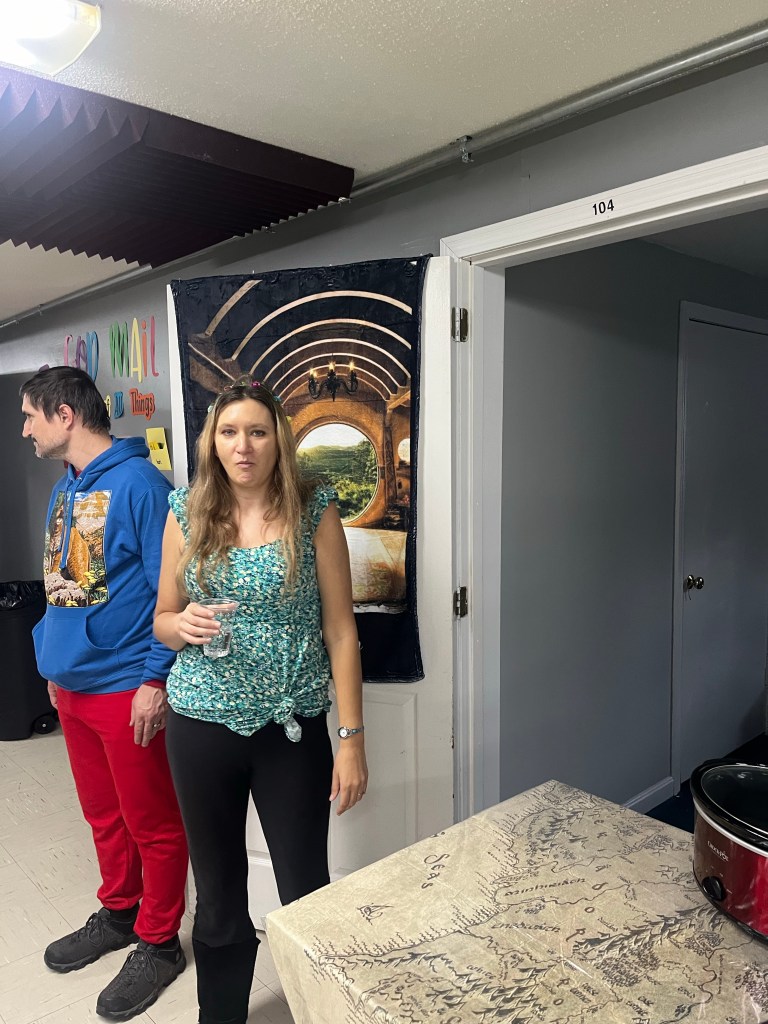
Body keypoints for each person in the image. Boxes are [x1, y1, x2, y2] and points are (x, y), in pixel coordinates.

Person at [154, 375, 368, 1024]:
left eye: (256, 431)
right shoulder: (184, 511)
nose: (242, 446)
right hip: (200, 725)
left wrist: (351, 741)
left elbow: (341, 631)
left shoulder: (314, 511)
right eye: (229, 432)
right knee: (218, 895)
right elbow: (162, 619)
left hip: (289, 729)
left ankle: (320, 1011)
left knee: (306, 890)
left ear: (279, 439)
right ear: (212, 442)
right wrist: (180, 624)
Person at [20, 367, 189, 1021]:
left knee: (153, 822)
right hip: (72, 686)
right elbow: (63, 584)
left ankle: (159, 942)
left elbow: (173, 590)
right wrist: (51, 658)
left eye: (30, 415)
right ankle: (120, 912)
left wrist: (154, 679)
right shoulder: (65, 486)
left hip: (126, 687)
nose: (25, 429)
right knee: (103, 815)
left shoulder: (142, 485)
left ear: (65, 416)